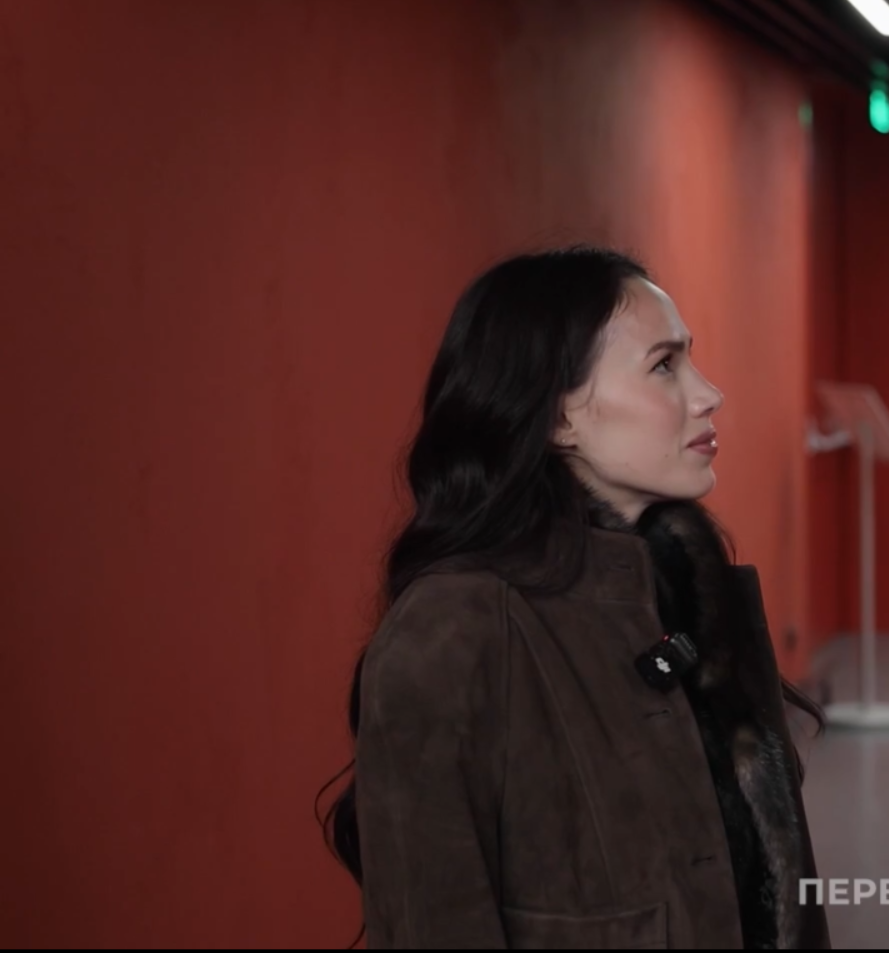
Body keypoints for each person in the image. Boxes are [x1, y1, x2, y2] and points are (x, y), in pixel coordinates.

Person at [319, 245, 830, 949]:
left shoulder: (693, 596)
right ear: (557, 416)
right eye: (664, 366)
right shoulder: (455, 631)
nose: (708, 394)